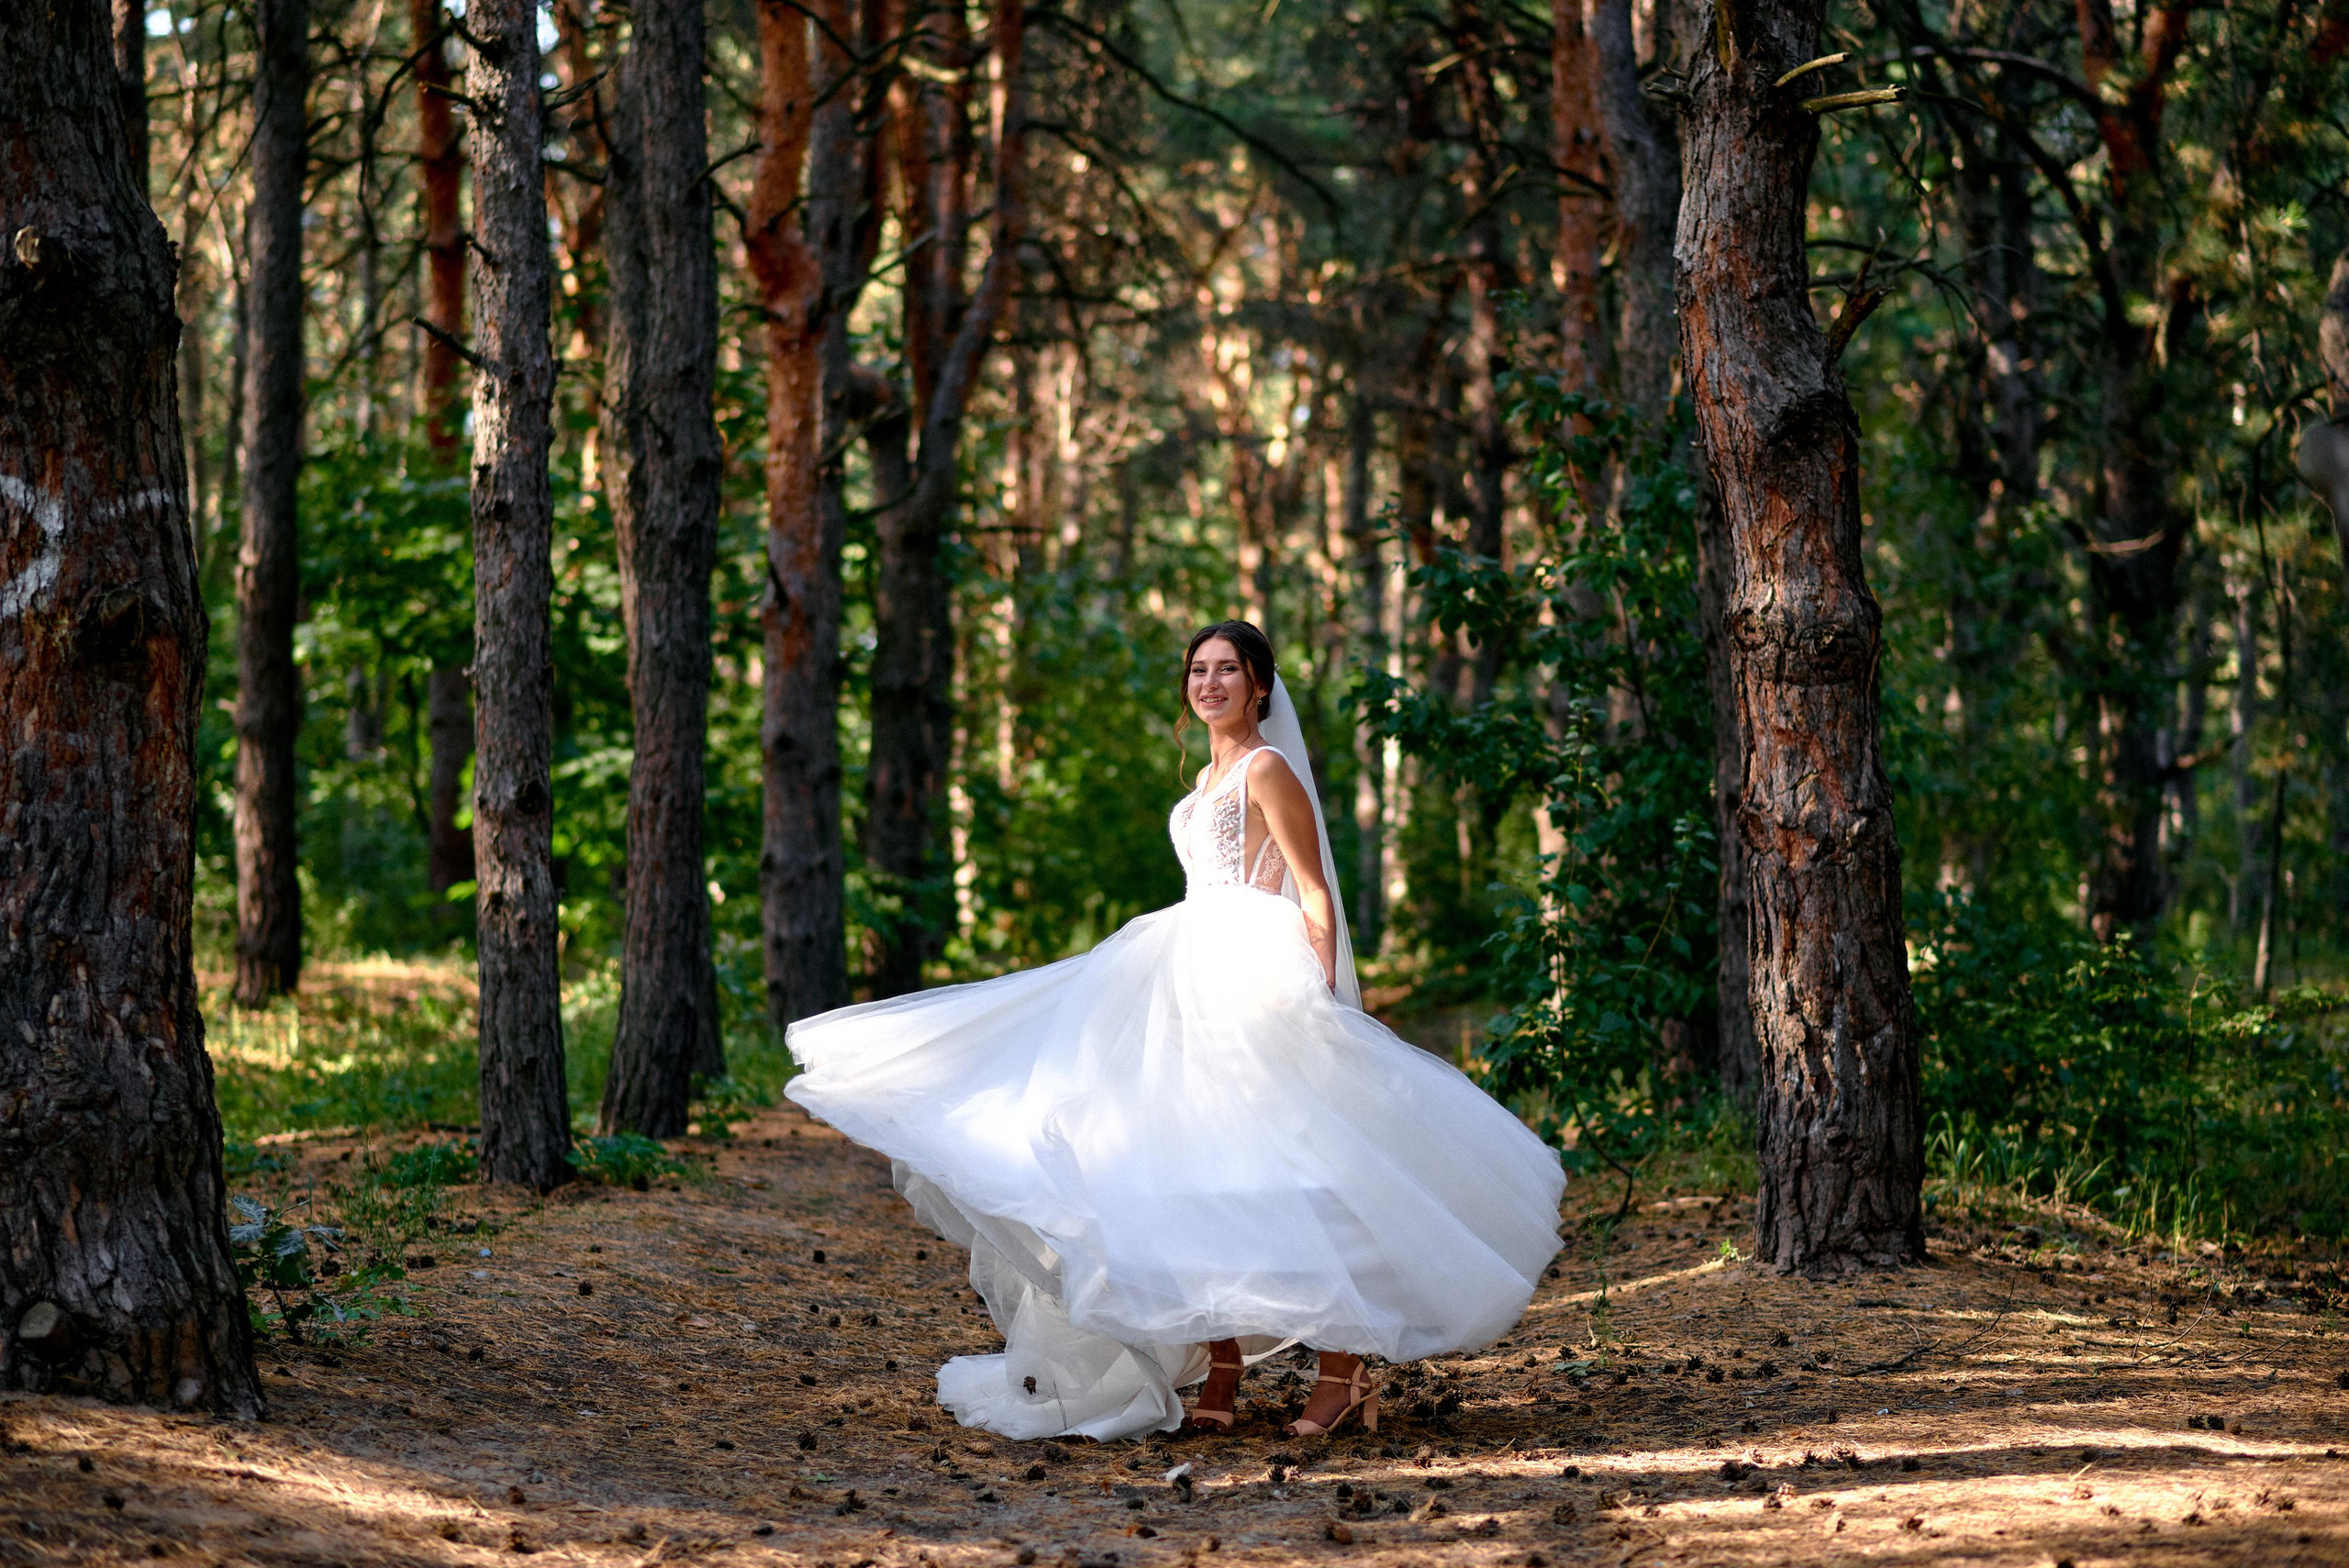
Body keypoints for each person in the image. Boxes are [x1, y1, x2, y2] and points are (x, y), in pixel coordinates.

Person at [785, 620, 1565, 1441]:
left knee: (1304, 1169)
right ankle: (1221, 1360)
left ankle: (1342, 1371)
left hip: (1256, 974)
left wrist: (1323, 994)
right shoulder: (1201, 781)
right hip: (1178, 975)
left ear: (1260, 685)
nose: (1210, 682)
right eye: (1198, 669)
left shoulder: (1267, 768)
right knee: (1190, 1171)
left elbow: (1313, 890)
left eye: (1228, 669)